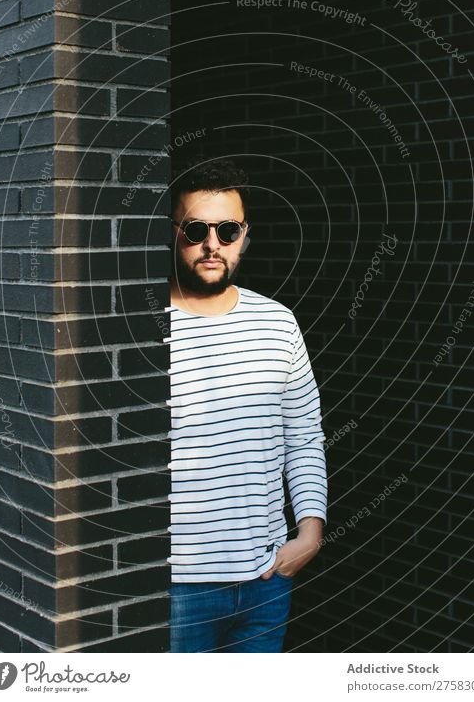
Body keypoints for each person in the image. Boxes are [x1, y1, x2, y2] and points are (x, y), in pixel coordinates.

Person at [165, 156, 328, 652]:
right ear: (172, 233)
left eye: (228, 230)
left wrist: (310, 532)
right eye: (196, 229)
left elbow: (303, 437)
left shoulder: (277, 322)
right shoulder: (139, 326)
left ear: (244, 234)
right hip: (176, 589)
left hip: (266, 578)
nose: (213, 245)